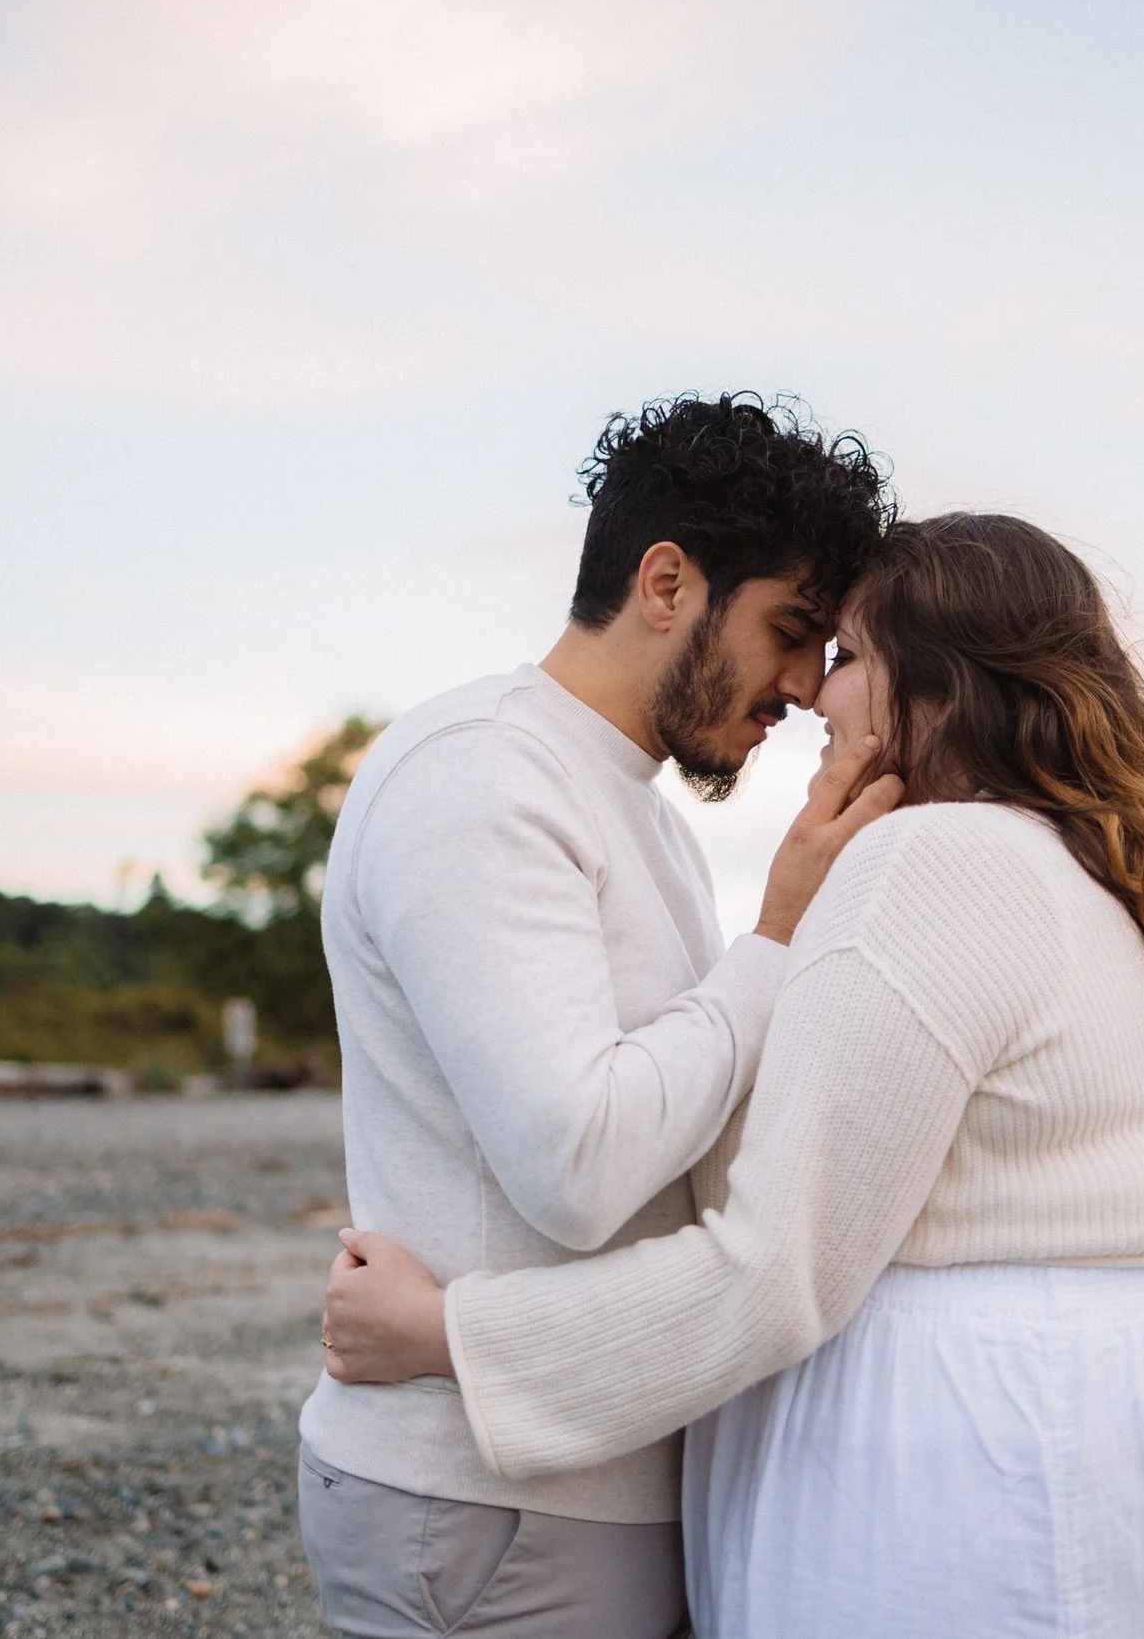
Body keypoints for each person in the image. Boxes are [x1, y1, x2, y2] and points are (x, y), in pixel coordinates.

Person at [322, 513, 1144, 1638]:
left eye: (845, 652)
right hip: (1138, 1441)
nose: (814, 690)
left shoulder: (928, 862)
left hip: (970, 1469)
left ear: (941, 692)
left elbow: (771, 1266)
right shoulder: (1080, 868)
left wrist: (449, 1334)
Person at [294, 392, 902, 1639]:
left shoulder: (640, 813)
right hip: (485, 1501)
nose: (800, 684)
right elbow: (580, 1163)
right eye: (791, 629)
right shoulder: (479, 777)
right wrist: (777, 934)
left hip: (576, 1487)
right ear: (666, 581)